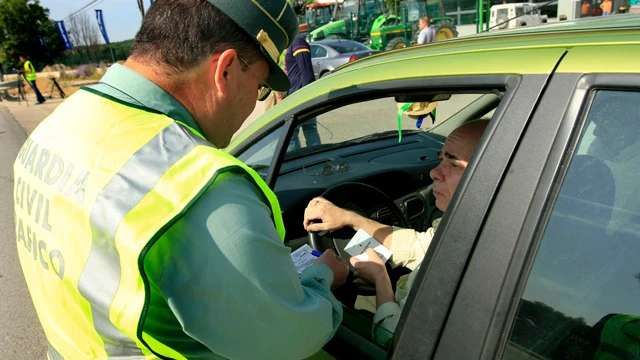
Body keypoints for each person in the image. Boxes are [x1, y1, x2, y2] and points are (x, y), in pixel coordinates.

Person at [13, 1, 349, 359]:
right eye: (261, 87)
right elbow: (286, 340)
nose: (256, 101)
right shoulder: (201, 190)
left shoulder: (57, 126)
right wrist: (322, 277)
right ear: (227, 70)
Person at [303, 119, 489, 345]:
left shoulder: (467, 259)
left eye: (454, 164)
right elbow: (419, 245)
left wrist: (380, 277)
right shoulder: (470, 222)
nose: (433, 173)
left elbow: (392, 340)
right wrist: (349, 218)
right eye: (441, 160)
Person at [284, 34, 322, 150]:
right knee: (309, 129)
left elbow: (306, 70)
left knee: (291, 134)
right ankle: (317, 160)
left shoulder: (297, 41)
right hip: (296, 95)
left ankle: (297, 165)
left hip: (299, 96)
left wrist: (307, 95)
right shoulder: (292, 42)